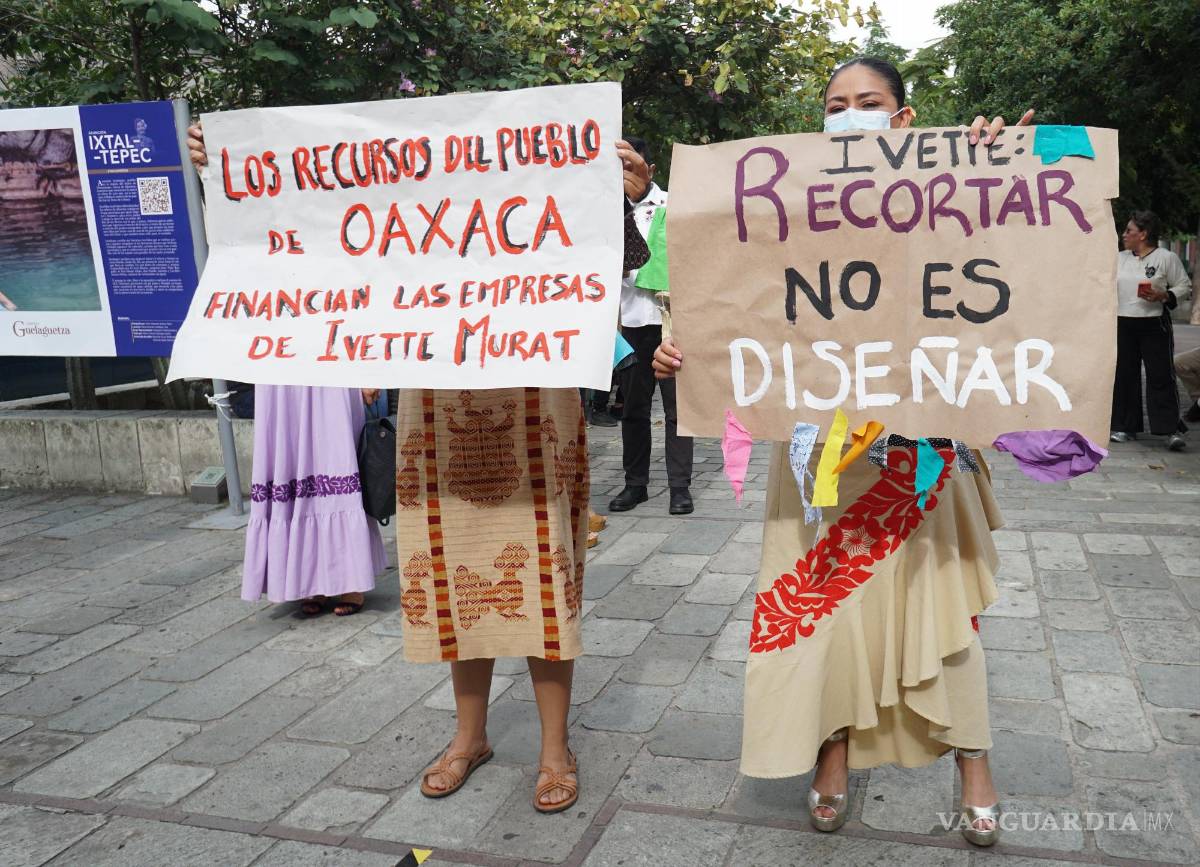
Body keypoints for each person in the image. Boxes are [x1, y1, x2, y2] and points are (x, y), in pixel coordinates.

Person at [653, 57, 1028, 847]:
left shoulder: (948, 196)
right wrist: (687, 354)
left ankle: (974, 760)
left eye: (868, 103)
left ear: (903, 119)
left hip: (919, 454)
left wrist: (996, 161)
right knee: (828, 616)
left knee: (943, 608)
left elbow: (1017, 260)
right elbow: (736, 306)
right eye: (835, 105)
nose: (849, 114)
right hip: (820, 457)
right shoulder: (789, 208)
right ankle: (835, 746)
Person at [395, 139, 653, 814]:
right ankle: (469, 736)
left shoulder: (548, 194)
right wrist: (232, 176)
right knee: (455, 575)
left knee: (543, 576)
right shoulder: (408, 197)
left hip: (537, 400)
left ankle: (553, 749)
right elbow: (316, 244)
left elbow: (626, 262)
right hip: (438, 398)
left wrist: (625, 197)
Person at [187, 129, 386, 617]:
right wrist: (211, 167)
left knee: (337, 459)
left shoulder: (349, 220)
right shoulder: (261, 222)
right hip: (279, 360)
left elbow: (374, 284)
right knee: (291, 464)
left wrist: (372, 363)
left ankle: (347, 577)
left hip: (335, 356)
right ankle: (306, 578)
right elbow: (231, 245)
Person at [609, 137, 695, 516]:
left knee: (678, 411)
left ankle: (680, 488)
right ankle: (635, 485)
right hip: (630, 321)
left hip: (671, 324)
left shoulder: (675, 206)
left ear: (651, 170)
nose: (626, 176)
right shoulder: (607, 211)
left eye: (633, 167)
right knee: (634, 409)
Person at [1110, 211, 1192, 450]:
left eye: (1129, 231)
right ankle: (1125, 427)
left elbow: (1183, 286)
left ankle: (1170, 430)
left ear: (1143, 234)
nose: (1124, 235)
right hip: (1123, 323)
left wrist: (1164, 295)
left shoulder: (1166, 258)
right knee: (1125, 376)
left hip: (1153, 323)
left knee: (1160, 376)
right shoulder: (1119, 258)